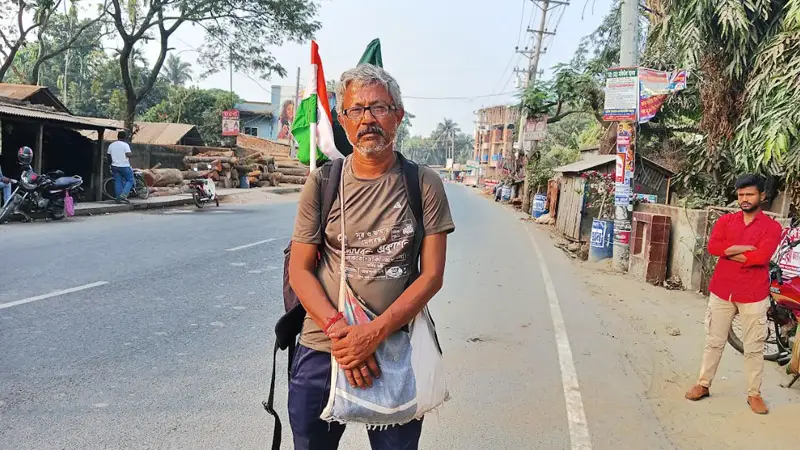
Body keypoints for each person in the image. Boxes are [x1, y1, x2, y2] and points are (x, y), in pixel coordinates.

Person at [288, 64, 455, 450]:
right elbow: (300, 269)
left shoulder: (423, 183)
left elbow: (431, 275)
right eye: (356, 110)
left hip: (394, 345)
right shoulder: (323, 182)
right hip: (324, 347)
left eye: (379, 108)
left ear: (398, 115)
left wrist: (373, 333)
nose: (368, 119)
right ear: (343, 121)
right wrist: (342, 334)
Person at [685, 174, 783, 414]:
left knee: (754, 347)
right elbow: (713, 247)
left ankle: (754, 394)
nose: (744, 199)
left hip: (753, 294)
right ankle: (703, 384)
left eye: (749, 194)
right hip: (722, 291)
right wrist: (743, 250)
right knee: (714, 342)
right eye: (740, 195)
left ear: (762, 196)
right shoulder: (726, 221)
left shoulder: (772, 227)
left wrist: (728, 252)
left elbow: (761, 258)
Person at [107, 130, 134, 204]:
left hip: (114, 166)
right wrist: (132, 155)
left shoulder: (111, 145)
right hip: (124, 166)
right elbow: (128, 154)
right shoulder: (125, 145)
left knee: (118, 182)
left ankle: (118, 198)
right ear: (125, 137)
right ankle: (124, 195)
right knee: (130, 180)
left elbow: (108, 156)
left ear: (117, 136)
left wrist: (110, 164)